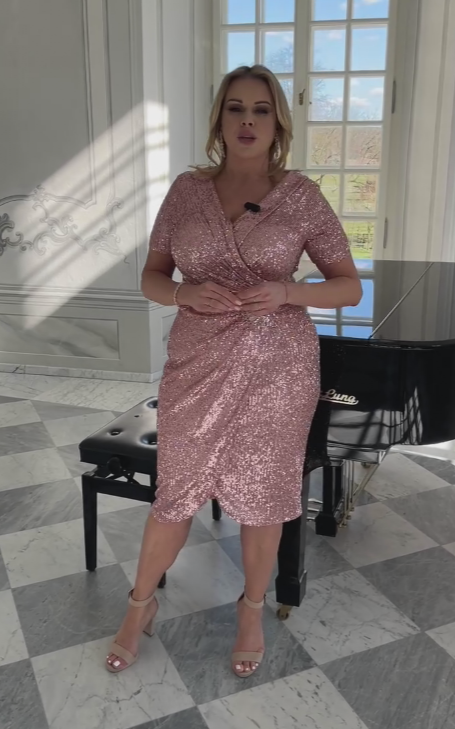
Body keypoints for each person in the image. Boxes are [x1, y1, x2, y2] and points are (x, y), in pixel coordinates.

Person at [106, 64, 362, 678]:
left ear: (279, 123)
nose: (248, 121)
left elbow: (348, 287)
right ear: (220, 119)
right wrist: (183, 294)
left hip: (279, 371)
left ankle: (251, 611)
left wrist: (286, 292)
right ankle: (139, 606)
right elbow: (152, 276)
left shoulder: (301, 196)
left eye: (261, 110)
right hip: (195, 366)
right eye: (236, 108)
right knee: (174, 494)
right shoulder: (186, 191)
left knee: (263, 498)